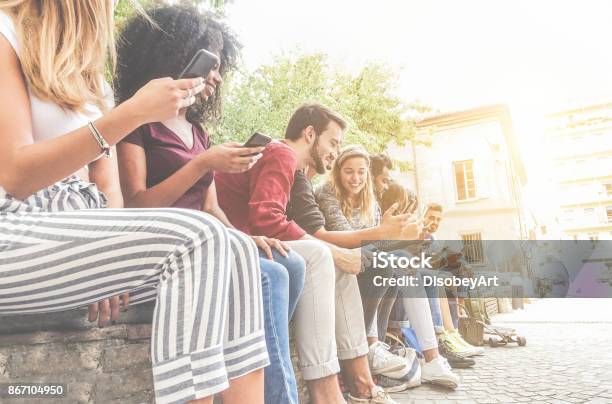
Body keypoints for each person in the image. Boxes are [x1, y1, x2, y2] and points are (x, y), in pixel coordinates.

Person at [0, 2, 267, 404]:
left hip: (75, 231)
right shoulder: (6, 35)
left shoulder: (89, 79)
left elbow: (107, 188)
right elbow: (14, 175)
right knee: (200, 237)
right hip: (16, 224)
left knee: (237, 250)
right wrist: (132, 115)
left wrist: (110, 252)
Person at [114, 6, 306, 404]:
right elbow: (135, 205)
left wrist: (246, 238)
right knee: (270, 278)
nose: (217, 77)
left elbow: (212, 209)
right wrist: (202, 164)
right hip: (165, 246)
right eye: (211, 65)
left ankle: (238, 363)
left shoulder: (198, 131)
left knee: (291, 262)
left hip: (211, 242)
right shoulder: (136, 122)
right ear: (177, 57)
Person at [216, 103, 398, 404]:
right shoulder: (281, 153)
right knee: (319, 256)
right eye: (333, 142)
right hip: (231, 246)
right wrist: (334, 251)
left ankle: (359, 381)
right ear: (310, 134)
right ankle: (325, 391)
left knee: (333, 263)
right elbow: (267, 219)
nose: (335, 152)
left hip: (246, 244)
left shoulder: (290, 164)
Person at [317, 146, 460, 389]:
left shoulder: (369, 201)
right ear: (338, 172)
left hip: (364, 261)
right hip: (339, 262)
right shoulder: (327, 193)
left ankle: (430, 356)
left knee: (402, 266)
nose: (356, 178)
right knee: (391, 265)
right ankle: (373, 346)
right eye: (349, 172)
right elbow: (351, 238)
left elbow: (374, 243)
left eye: (361, 172)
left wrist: (398, 239)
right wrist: (395, 238)